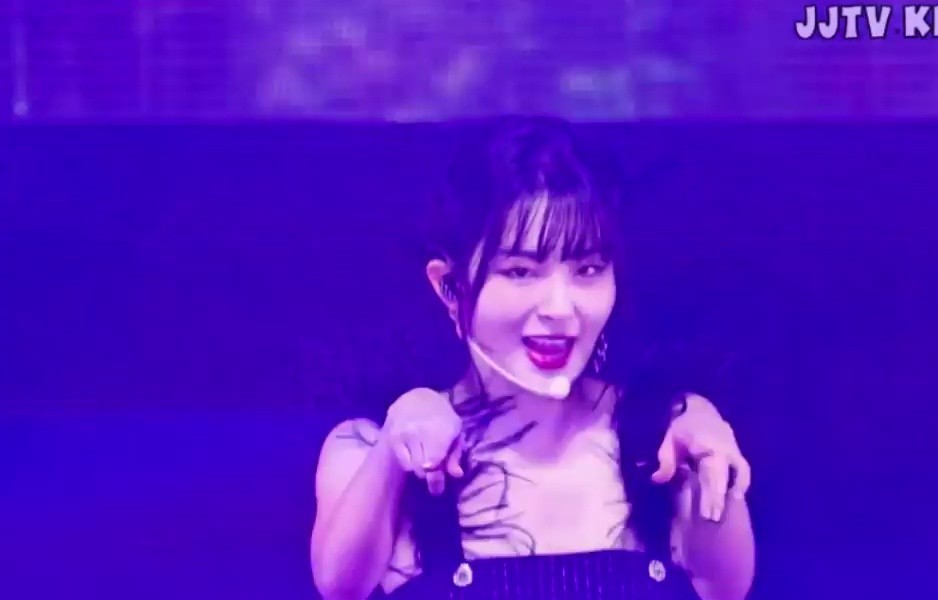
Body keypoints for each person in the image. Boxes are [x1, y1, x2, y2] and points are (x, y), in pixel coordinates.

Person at [310, 117, 755, 600]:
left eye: (588, 270)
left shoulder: (663, 439)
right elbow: (340, 586)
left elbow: (725, 588)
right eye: (521, 272)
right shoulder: (368, 444)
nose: (560, 309)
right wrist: (393, 447)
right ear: (449, 286)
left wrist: (708, 457)